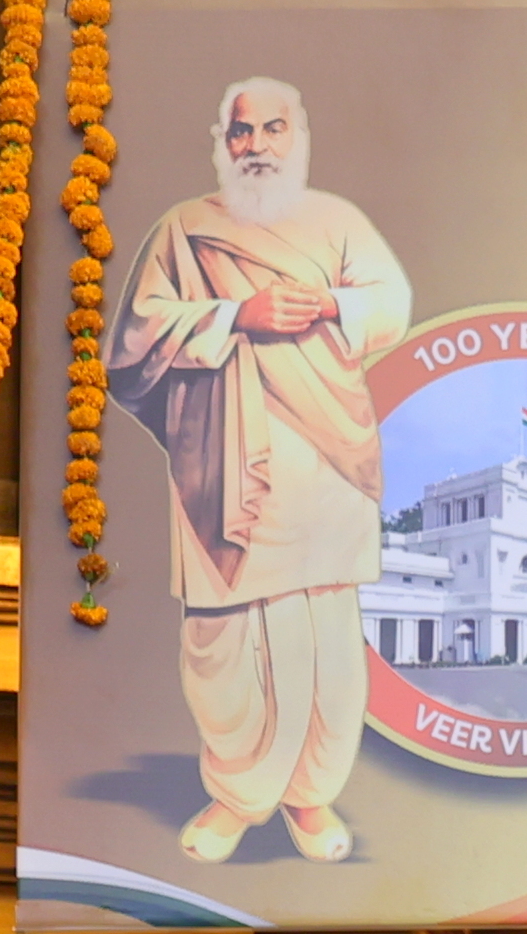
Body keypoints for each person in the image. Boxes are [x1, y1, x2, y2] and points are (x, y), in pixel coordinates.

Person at [109, 78, 408, 867]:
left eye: (274, 128)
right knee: (222, 637)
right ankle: (238, 795)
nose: (258, 145)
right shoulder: (184, 229)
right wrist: (236, 315)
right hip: (222, 460)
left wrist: (332, 305)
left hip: (324, 456)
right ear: (222, 140)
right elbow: (134, 339)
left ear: (299, 133)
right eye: (243, 132)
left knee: (326, 632)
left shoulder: (339, 223)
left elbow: (392, 301)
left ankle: (310, 795)